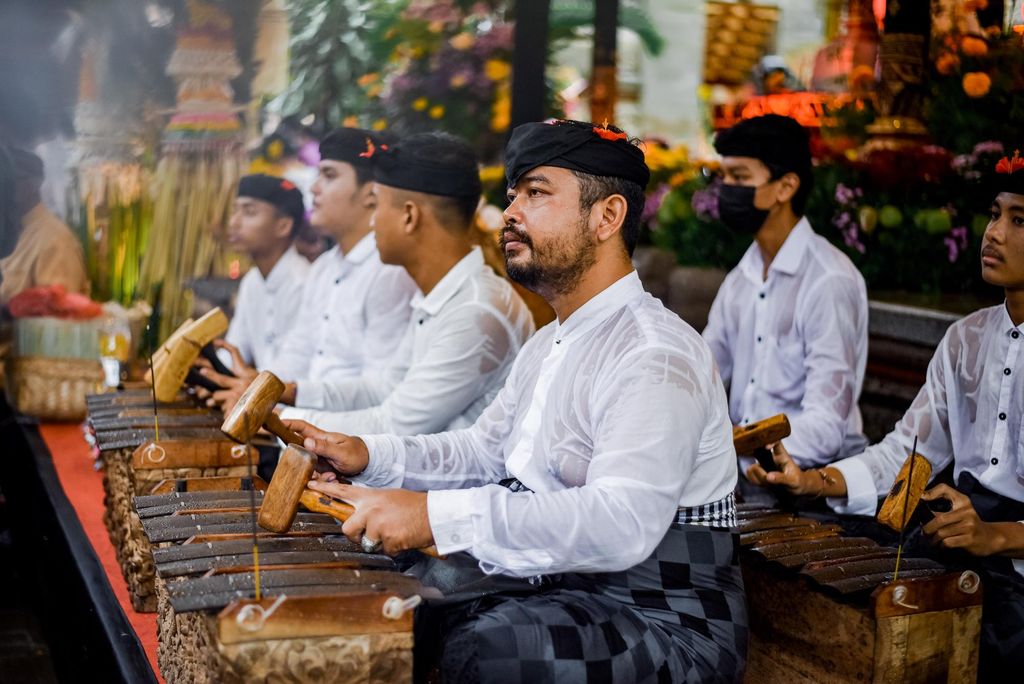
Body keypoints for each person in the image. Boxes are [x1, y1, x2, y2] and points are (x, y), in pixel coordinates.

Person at [286, 120, 746, 682]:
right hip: (563, 587)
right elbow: (484, 452)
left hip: (662, 619)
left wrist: (431, 515)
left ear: (608, 217)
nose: (510, 213)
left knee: (488, 649)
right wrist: (368, 455)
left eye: (536, 193)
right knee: (398, 591)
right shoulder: (549, 341)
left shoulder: (655, 354)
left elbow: (622, 523)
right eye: (512, 196)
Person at [746, 153, 1024, 681]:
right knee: (817, 570)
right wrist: (812, 480)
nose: (994, 233)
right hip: (955, 539)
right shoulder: (965, 338)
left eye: (1019, 221)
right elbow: (908, 454)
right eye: (994, 214)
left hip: (1011, 558)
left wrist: (995, 536)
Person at [280, 132, 534, 435]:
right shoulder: (442, 295)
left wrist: (277, 421)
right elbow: (384, 388)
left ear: (410, 216)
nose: (372, 222)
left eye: (378, 206)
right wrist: (289, 392)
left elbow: (394, 424)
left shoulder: (475, 311)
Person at [201, 128, 417, 409]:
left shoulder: (389, 270)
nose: (314, 188)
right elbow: (298, 353)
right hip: (302, 432)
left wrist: (276, 409)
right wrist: (252, 395)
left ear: (371, 193)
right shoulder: (324, 268)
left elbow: (381, 393)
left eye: (329, 175)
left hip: (345, 442)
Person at [703, 114, 868, 467]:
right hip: (743, 471)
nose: (727, 189)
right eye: (723, 177)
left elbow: (826, 427)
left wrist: (737, 446)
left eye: (740, 177)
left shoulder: (828, 281)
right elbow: (702, 374)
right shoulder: (740, 279)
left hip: (814, 483)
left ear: (786, 186)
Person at [217, 174, 310, 370]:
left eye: (249, 212)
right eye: (235, 211)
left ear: (283, 226)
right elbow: (234, 349)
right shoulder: (252, 282)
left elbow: (297, 367)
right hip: (260, 395)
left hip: (291, 398)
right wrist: (208, 374)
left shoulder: (304, 283)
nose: (234, 222)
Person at [0, 147, 88, 304]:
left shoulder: (54, 240)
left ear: (32, 185)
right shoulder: (8, 231)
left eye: (9, 183)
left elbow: (56, 318)